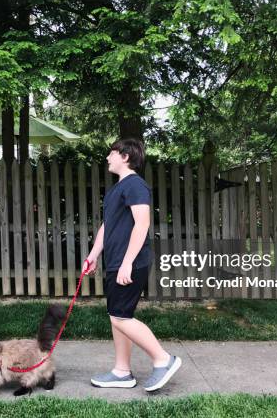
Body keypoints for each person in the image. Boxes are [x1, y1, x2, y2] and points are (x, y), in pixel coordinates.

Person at [83, 138, 182, 392]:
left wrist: (127, 263)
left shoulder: (135, 184)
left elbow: (142, 224)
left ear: (125, 156)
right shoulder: (117, 189)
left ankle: (163, 359)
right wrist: (93, 255)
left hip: (130, 262)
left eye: (111, 153)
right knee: (118, 316)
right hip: (115, 261)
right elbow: (108, 226)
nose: (107, 157)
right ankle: (121, 372)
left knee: (120, 317)